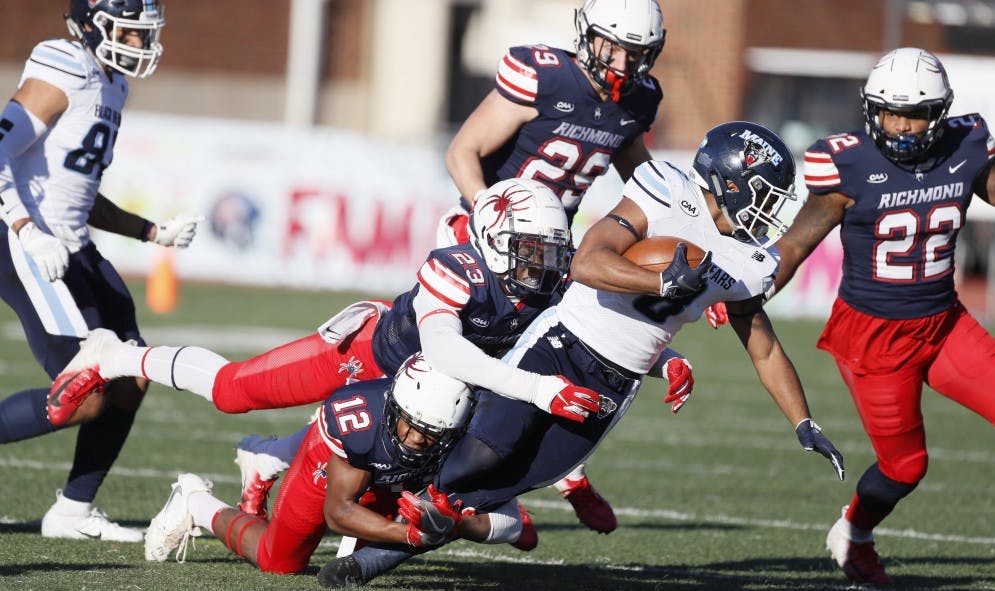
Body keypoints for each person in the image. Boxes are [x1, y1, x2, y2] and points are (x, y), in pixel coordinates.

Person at [318, 121, 847, 589]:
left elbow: (764, 345)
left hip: (616, 384)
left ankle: (371, 562)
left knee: (498, 486)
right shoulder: (664, 190)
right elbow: (588, 263)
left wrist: (803, 422)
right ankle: (358, 502)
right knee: (477, 456)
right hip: (561, 343)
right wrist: (659, 278)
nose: (771, 208)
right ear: (730, 181)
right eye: (765, 193)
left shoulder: (749, 262)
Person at [51, 179, 693, 523]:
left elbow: (591, 330)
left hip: (423, 401)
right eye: (532, 252)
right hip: (369, 359)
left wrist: (664, 357)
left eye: (553, 254)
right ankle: (115, 355)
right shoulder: (457, 268)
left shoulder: (549, 280)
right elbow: (446, 350)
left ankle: (266, 467)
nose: (545, 267)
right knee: (231, 391)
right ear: (496, 241)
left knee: (379, 481)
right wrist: (536, 388)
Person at [772, 48, 995, 587]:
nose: (900, 125)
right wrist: (744, 292)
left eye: (915, 113)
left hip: (945, 324)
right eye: (890, 111)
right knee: (906, 467)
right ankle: (855, 530)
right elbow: (798, 243)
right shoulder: (847, 163)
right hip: (874, 339)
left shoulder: (966, 146)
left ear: (939, 112)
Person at [437, 0, 667, 531]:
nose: (623, 64)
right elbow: (461, 153)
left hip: (547, 255)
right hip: (485, 235)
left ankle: (564, 471)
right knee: (455, 363)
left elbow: (646, 185)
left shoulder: (638, 100)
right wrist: (490, 218)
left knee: (553, 354)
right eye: (614, 47)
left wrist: (685, 241)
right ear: (588, 35)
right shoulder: (544, 75)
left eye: (637, 54)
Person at [0, 0, 202, 541]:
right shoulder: (64, 63)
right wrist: (25, 229)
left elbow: (78, 192)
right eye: (129, 34)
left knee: (134, 375)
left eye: (143, 35)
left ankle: (73, 508)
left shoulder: (113, 85)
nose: (140, 45)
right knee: (83, 393)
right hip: (25, 238)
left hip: (72, 244)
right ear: (91, 25)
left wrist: (150, 231)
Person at [143, 354, 532, 571]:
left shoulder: (471, 435)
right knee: (278, 561)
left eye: (430, 433)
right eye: (409, 424)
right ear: (395, 405)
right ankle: (195, 502)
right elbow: (338, 511)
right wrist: (409, 536)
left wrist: (459, 524)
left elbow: (516, 524)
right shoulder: (360, 419)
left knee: (374, 541)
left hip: (396, 478)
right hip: (347, 464)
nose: (415, 439)